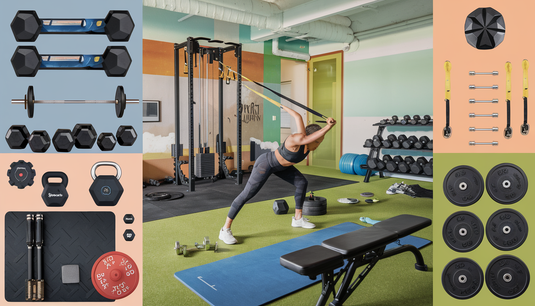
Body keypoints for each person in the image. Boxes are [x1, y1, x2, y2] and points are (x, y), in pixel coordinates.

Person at [219, 104, 337, 244]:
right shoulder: (296, 139)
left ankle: (298, 219)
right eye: (317, 141)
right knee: (247, 194)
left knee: (301, 182)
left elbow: (297, 116)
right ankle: (225, 230)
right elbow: (306, 138)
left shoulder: (305, 138)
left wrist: (283, 107)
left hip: (283, 167)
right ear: (310, 138)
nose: (317, 145)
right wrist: (328, 127)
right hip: (266, 164)